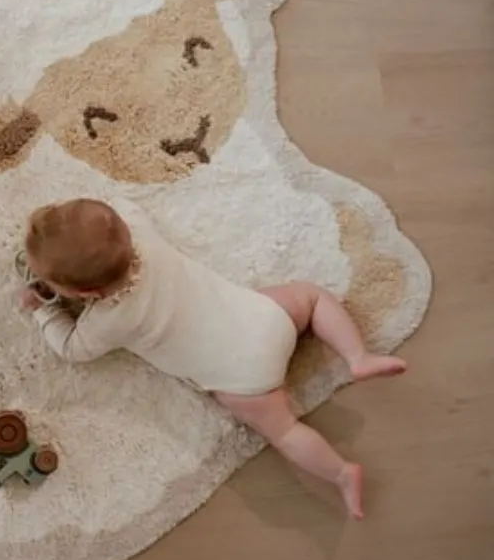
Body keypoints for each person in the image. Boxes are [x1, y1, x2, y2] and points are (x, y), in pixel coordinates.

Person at [20, 199, 406, 519]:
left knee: (285, 431)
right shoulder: (145, 241)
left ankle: (341, 473)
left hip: (243, 378)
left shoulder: (107, 320)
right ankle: (357, 356)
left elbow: (72, 349)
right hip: (266, 322)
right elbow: (126, 209)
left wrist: (43, 311)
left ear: (86, 294)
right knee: (311, 296)